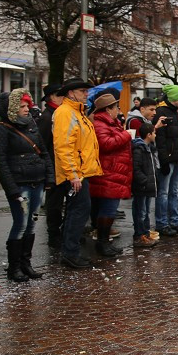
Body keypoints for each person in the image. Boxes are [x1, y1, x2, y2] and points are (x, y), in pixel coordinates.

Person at [0, 88, 52, 283]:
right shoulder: (2, 129)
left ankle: (26, 263)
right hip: (21, 184)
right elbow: (1, 162)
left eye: (27, 105)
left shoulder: (31, 124)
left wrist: (49, 177)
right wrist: (12, 189)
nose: (27, 109)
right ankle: (15, 266)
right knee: (21, 223)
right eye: (22, 106)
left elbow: (43, 152)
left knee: (32, 223)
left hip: (37, 181)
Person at [52, 78, 101, 269]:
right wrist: (73, 174)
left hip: (79, 172)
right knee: (77, 212)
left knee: (78, 212)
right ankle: (70, 253)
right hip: (75, 174)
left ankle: (71, 252)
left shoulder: (76, 112)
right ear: (71, 93)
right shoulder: (66, 113)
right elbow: (64, 146)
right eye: (82, 91)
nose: (86, 94)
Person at [89, 93, 132, 257]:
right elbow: (105, 144)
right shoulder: (100, 124)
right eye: (116, 107)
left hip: (113, 171)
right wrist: (126, 135)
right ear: (108, 109)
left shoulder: (111, 122)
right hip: (107, 172)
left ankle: (105, 241)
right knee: (107, 210)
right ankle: (102, 242)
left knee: (109, 210)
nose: (118, 110)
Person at [154, 85, 178, 236]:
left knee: (174, 191)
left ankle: (175, 221)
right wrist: (164, 160)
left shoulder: (176, 113)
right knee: (164, 192)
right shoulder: (161, 112)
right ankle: (162, 223)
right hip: (168, 158)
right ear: (174, 98)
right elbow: (160, 140)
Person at [37, 84, 66, 249]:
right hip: (53, 166)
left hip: (59, 165)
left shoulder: (56, 114)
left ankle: (59, 233)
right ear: (52, 97)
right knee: (54, 203)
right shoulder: (48, 117)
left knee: (58, 201)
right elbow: (44, 144)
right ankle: (54, 235)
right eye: (60, 95)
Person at [131, 121, 160, 248]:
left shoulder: (148, 148)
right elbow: (136, 168)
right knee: (141, 211)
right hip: (142, 186)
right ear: (148, 135)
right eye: (154, 133)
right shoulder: (140, 149)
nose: (155, 135)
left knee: (145, 211)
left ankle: (145, 233)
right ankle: (139, 235)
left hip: (146, 185)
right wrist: (144, 181)